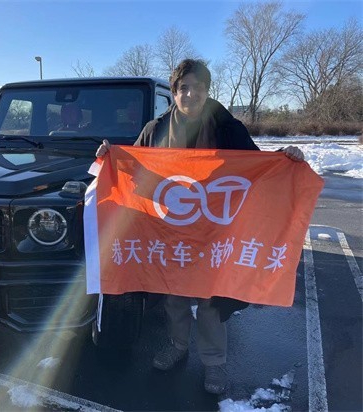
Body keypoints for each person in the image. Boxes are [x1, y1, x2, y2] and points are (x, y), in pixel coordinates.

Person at [95, 59, 304, 395]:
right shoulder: (155, 129)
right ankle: (177, 346)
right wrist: (110, 156)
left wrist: (284, 156)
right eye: (184, 88)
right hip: (170, 228)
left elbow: (256, 165)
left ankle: (214, 362)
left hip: (214, 230)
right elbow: (133, 165)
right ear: (174, 92)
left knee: (211, 300)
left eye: (198, 87)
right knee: (174, 294)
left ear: (207, 91)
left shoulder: (226, 127)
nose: (190, 94)